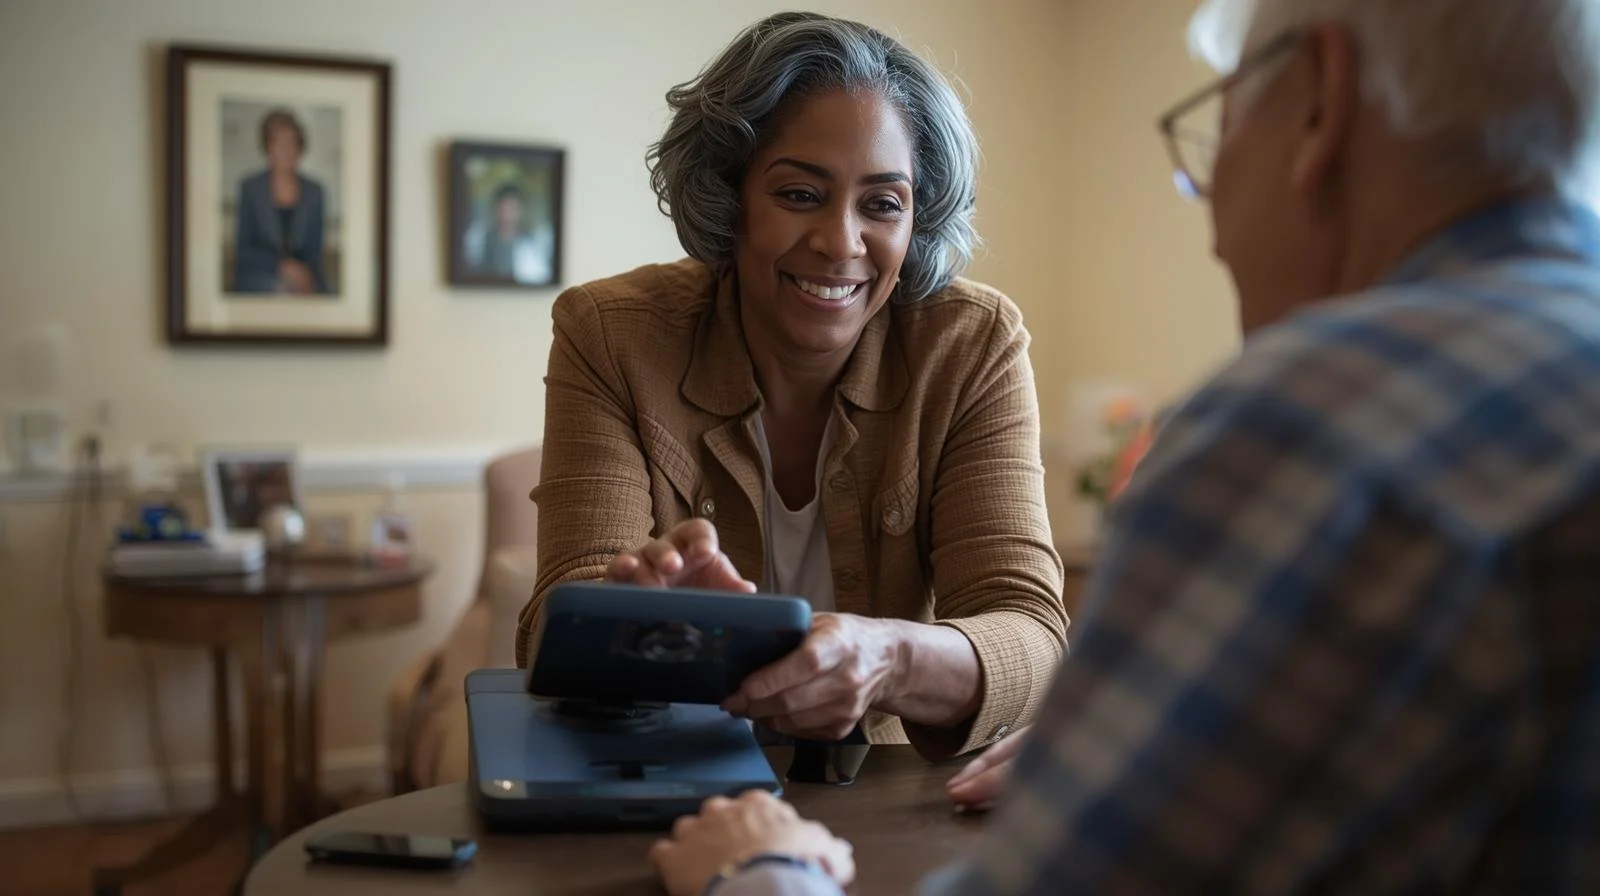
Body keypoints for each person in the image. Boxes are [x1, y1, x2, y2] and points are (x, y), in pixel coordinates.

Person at [650, 0, 1600, 893]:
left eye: (1216, 124)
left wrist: (765, 872)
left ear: (1321, 100)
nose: (1213, 204)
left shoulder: (1314, 422)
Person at [519, 12, 1068, 761]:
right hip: (662, 783)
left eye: (883, 203)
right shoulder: (612, 334)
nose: (841, 242)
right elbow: (553, 622)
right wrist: (636, 609)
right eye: (801, 194)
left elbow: (1031, 636)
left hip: (883, 803)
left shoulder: (971, 346)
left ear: (918, 220)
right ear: (728, 195)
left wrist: (889, 659)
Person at [232, 108, 329, 295]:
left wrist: (302, 274)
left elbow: (316, 251)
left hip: (305, 277)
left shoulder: (314, 192)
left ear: (300, 147)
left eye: (291, 142)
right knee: (281, 291)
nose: (285, 150)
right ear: (268, 147)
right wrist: (282, 267)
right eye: (278, 142)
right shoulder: (251, 188)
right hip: (259, 276)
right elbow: (244, 251)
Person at [463, 181, 555, 284]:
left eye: (513, 208)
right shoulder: (479, 238)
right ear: (495, 209)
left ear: (521, 210)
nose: (508, 215)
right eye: (504, 208)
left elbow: (539, 276)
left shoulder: (533, 244)